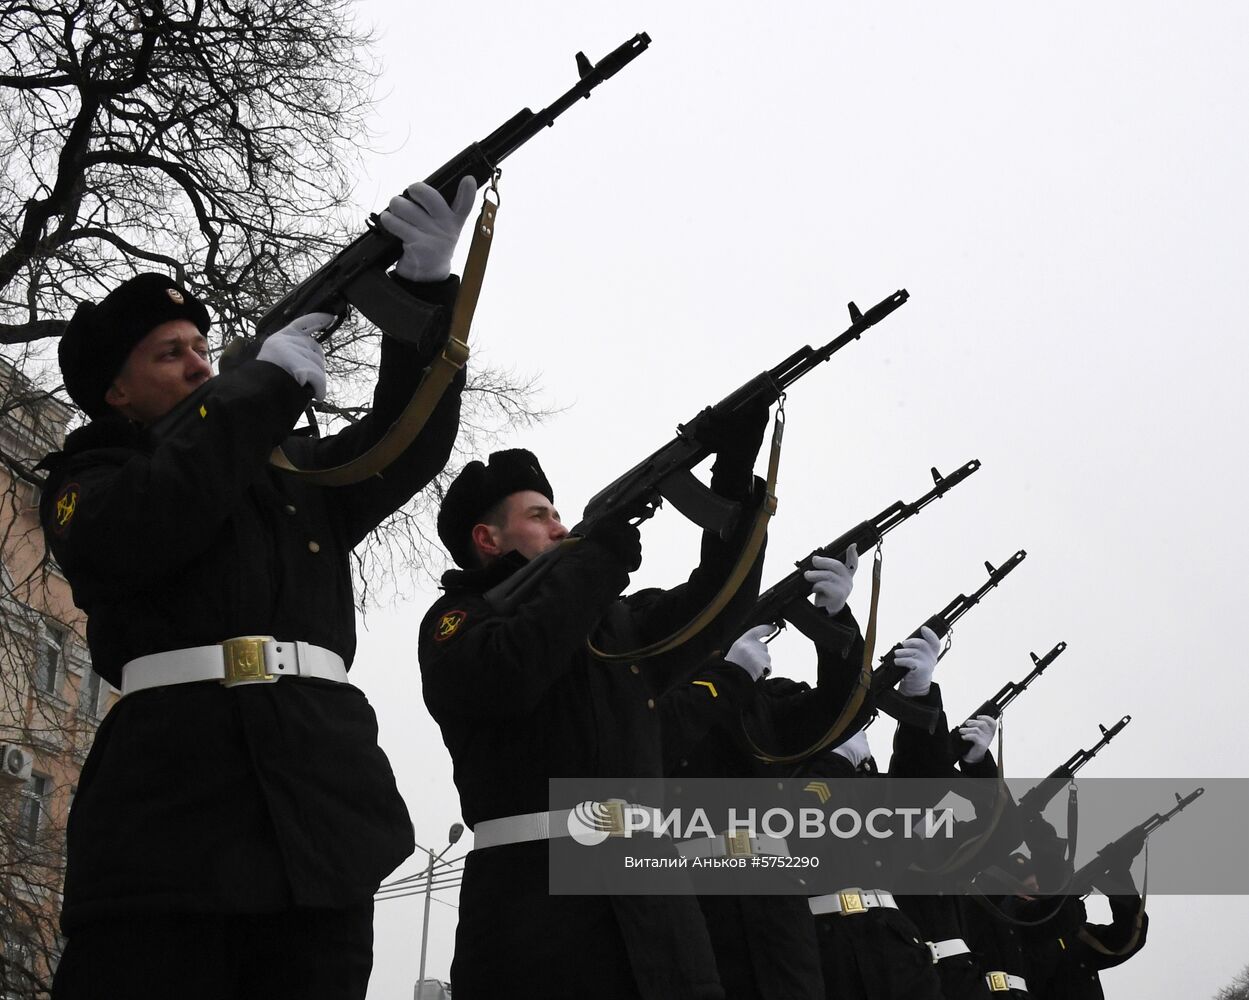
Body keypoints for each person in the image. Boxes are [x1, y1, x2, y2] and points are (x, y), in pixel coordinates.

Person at [39, 176, 478, 999]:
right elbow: (150, 519)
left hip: (316, 809)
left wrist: (423, 300)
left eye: (205, 352)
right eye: (171, 355)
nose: (201, 368)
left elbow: (401, 444)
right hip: (172, 821)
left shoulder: (287, 475)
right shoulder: (86, 482)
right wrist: (263, 386)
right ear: (114, 391)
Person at [418, 417, 768, 1000]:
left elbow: (717, 605)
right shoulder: (458, 623)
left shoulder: (614, 624)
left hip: (656, 914)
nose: (560, 528)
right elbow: (513, 673)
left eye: (558, 514)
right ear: (487, 540)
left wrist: (732, 481)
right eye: (539, 516)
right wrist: (596, 565)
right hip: (539, 911)